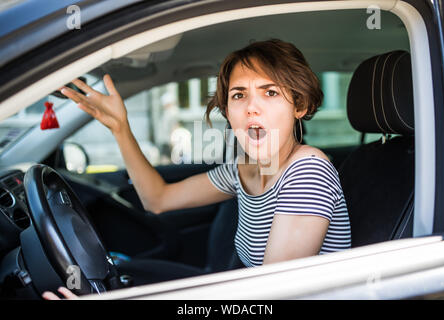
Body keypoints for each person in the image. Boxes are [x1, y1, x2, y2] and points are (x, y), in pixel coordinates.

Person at [42, 39, 351, 300]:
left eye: (270, 92)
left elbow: (273, 295)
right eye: (238, 95)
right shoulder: (242, 170)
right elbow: (158, 199)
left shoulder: (308, 171)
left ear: (299, 106)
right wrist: (121, 128)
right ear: (228, 112)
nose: (251, 107)